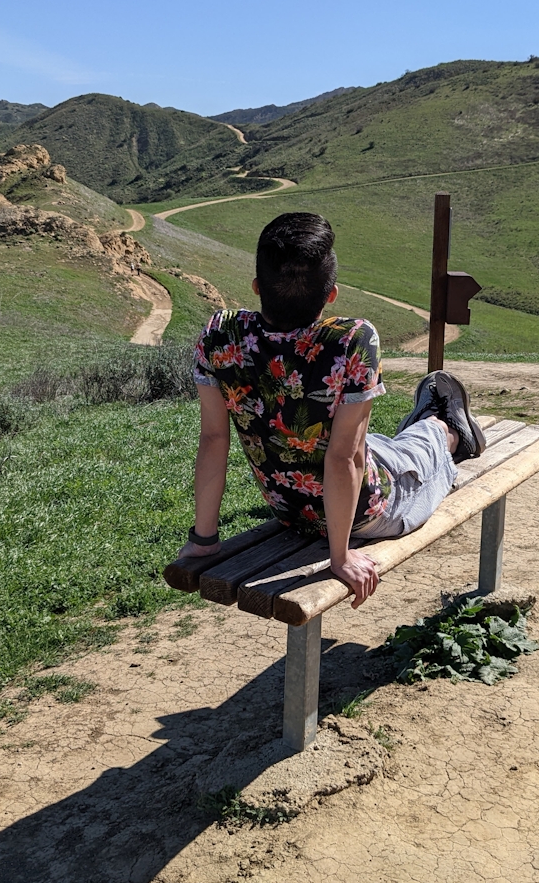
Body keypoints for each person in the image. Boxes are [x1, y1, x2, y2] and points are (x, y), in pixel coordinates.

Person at [178, 212, 486, 608]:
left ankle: (426, 423)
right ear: (332, 293)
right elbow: (343, 457)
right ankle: (446, 427)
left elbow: (213, 438)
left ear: (256, 287)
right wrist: (340, 557)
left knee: (376, 444)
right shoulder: (351, 340)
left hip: (291, 508)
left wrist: (204, 540)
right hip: (370, 513)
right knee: (422, 448)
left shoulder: (221, 334)